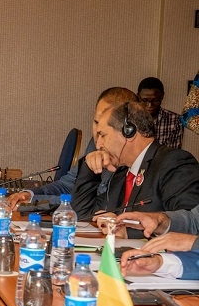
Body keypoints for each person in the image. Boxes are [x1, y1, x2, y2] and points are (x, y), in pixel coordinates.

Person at [72, 100, 199, 236]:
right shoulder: (120, 173)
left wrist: (129, 231)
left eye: (102, 135)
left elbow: (191, 225)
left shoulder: (174, 162)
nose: (99, 145)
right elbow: (83, 216)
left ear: (129, 132)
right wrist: (91, 168)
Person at [6, 87, 137, 211]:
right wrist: (29, 195)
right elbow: (66, 185)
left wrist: (36, 203)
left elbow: (90, 203)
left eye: (105, 126)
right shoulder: (94, 144)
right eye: (96, 122)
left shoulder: (130, 159)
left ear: (127, 129)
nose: (98, 133)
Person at [138, 76, 183, 149]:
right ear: (138, 97)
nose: (150, 105)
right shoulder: (130, 118)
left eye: (155, 101)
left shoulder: (175, 120)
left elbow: (173, 153)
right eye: (145, 101)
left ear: (162, 97)